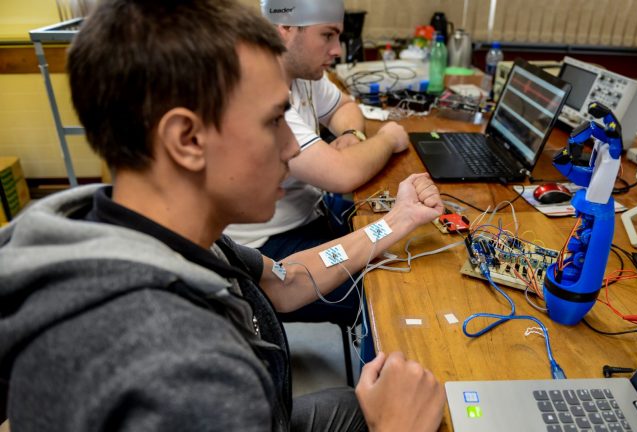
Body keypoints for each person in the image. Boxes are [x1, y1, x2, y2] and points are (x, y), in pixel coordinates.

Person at [0, 1, 446, 430]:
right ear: (187, 138)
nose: (292, 149)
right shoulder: (190, 371)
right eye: (273, 121)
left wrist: (398, 220)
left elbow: (287, 280)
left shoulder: (158, 227)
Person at [225, 0, 410, 324]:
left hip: (308, 217)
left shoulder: (302, 70)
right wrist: (388, 139)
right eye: (327, 35)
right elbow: (341, 174)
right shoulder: (256, 87)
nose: (337, 49)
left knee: (400, 252)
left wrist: (353, 135)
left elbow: (345, 106)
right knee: (392, 286)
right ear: (285, 29)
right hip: (269, 244)